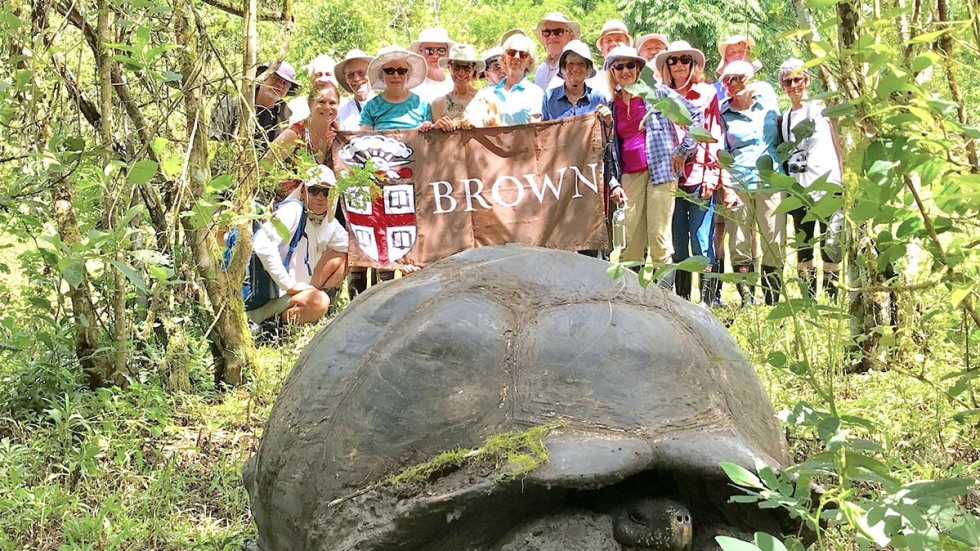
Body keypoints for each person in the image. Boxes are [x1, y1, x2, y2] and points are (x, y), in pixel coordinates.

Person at [606, 46, 703, 283]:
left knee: (659, 236)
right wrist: (613, 181)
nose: (625, 70)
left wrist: (683, 150)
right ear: (612, 71)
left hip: (662, 170)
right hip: (630, 174)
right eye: (619, 66)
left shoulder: (657, 93)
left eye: (631, 65)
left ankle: (664, 297)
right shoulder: (612, 105)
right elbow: (608, 147)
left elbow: (696, 117)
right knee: (630, 237)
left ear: (639, 68)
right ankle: (631, 294)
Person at [655, 41, 736, 304]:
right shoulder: (661, 95)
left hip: (700, 175)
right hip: (670, 178)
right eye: (673, 60)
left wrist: (713, 175)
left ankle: (710, 299)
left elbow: (714, 134)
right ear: (667, 66)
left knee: (702, 240)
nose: (678, 65)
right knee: (677, 241)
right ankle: (681, 299)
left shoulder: (706, 93)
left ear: (693, 65)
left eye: (684, 60)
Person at [248, 165, 349, 327]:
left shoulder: (328, 223)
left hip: (297, 292)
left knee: (343, 257)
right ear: (303, 191)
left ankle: (312, 313)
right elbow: (262, 245)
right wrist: (289, 285)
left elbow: (353, 249)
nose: (320, 197)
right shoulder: (292, 211)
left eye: (326, 192)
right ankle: (271, 328)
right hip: (270, 299)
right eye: (314, 190)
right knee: (320, 301)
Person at [719, 60, 785, 306]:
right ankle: (747, 297)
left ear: (751, 79)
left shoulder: (769, 106)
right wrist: (726, 186)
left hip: (771, 179)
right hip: (739, 181)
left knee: (774, 239)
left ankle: (772, 299)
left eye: (739, 78)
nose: (734, 84)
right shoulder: (723, 113)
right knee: (738, 241)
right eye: (728, 80)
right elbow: (720, 151)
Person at [778, 58, 844, 300]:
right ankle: (808, 300)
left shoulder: (823, 109)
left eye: (799, 79)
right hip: (800, 190)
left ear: (807, 80)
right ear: (782, 86)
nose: (794, 85)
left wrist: (845, 178)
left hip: (829, 187)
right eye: (788, 81)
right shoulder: (784, 118)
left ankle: (831, 296)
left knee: (832, 244)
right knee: (803, 246)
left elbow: (839, 146)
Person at [209, 61, 300, 148]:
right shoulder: (234, 101)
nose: (280, 85)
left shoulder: (286, 115)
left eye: (285, 83)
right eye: (276, 79)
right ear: (263, 77)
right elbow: (214, 138)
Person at [463, 34, 544, 127]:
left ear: (529, 62)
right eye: (512, 52)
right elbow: (467, 118)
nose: (516, 57)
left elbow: (535, 131)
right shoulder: (486, 94)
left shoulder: (535, 93)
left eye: (523, 55)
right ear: (504, 57)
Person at [360, 46, 434, 131]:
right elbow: (364, 139)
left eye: (401, 71)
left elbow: (430, 139)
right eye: (389, 71)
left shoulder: (422, 105)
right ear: (381, 75)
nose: (396, 75)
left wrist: (428, 126)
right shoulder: (371, 107)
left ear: (408, 75)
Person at [431, 44, 484, 128]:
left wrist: (478, 124)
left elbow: (496, 132)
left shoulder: (484, 100)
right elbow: (434, 139)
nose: (461, 72)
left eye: (467, 67)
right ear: (449, 67)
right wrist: (436, 127)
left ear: (474, 69)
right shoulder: (438, 104)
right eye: (456, 66)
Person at [532, 12, 580, 92]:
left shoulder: (581, 67)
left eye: (558, 32)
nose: (551, 36)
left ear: (571, 37)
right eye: (547, 32)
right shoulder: (541, 69)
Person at [587, 19, 635, 99]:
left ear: (628, 45)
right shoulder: (594, 81)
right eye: (608, 41)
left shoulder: (640, 76)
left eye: (618, 40)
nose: (613, 44)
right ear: (602, 49)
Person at [409, 27, 455, 103]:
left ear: (447, 53)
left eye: (441, 50)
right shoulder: (412, 86)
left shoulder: (456, 81)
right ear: (420, 52)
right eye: (429, 51)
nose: (435, 56)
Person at [287, 54, 337, 123]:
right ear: (311, 79)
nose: (323, 79)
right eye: (318, 75)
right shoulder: (295, 106)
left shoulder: (346, 107)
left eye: (328, 74)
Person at [335, 49, 376, 131]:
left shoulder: (386, 105)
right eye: (350, 75)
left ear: (370, 73)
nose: (356, 78)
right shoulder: (342, 113)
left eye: (361, 72)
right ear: (345, 79)